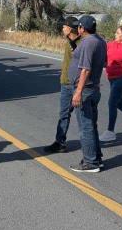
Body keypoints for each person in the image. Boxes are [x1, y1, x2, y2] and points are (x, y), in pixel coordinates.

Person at [68, 15, 107, 174]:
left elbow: (85, 69)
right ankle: (96, 157)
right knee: (91, 125)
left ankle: (90, 162)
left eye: (79, 27)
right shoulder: (101, 41)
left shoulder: (88, 43)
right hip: (93, 88)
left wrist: (78, 92)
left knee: (85, 127)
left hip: (85, 90)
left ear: (82, 28)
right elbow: (104, 63)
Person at [44, 16, 81, 154]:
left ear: (70, 28)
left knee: (82, 117)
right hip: (65, 84)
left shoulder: (82, 43)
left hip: (77, 85)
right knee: (64, 113)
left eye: (64, 26)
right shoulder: (68, 41)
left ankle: (90, 150)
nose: (62, 28)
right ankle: (60, 142)